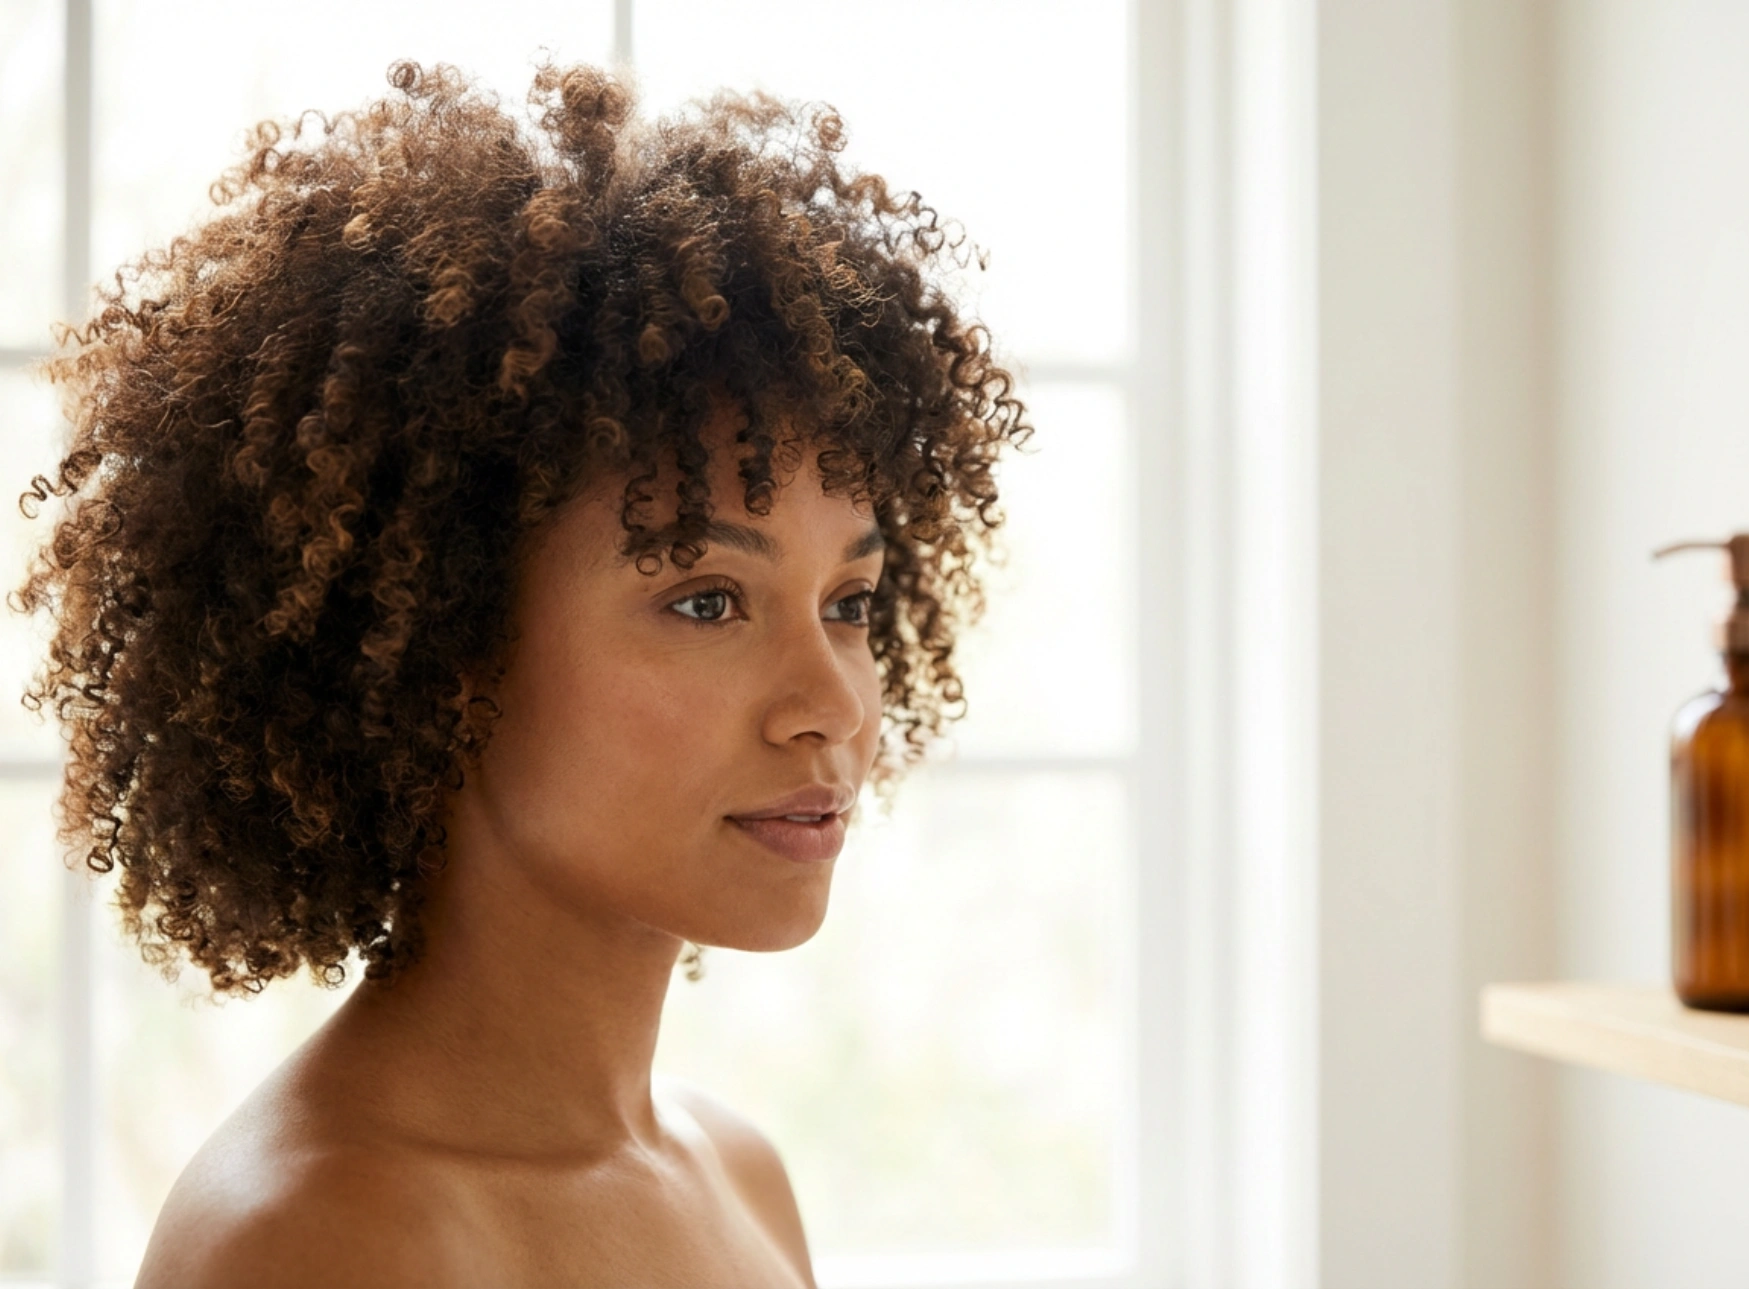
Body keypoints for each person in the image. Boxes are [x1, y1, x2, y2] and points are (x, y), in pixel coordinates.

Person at [19, 59, 1028, 1288]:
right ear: (449, 647)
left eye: (851, 603)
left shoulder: (740, 1179)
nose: (835, 704)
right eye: (707, 599)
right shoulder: (321, 1241)